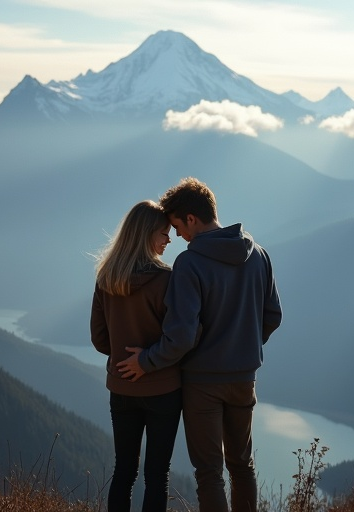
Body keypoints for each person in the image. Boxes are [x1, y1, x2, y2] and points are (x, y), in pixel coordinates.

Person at [117, 177, 282, 512]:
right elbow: (273, 316)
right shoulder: (259, 254)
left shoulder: (190, 264)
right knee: (242, 466)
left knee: (209, 473)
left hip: (203, 384)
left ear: (191, 219)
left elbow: (181, 336)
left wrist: (146, 361)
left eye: (178, 227)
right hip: (244, 379)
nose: (178, 236)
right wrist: (245, 344)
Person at [90, 200, 182, 512]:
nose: (169, 240)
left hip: (122, 388)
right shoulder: (167, 280)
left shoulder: (107, 277)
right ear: (146, 234)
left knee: (124, 472)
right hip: (164, 390)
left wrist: (124, 355)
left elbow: (100, 338)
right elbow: (178, 338)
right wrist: (149, 359)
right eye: (164, 233)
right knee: (157, 475)